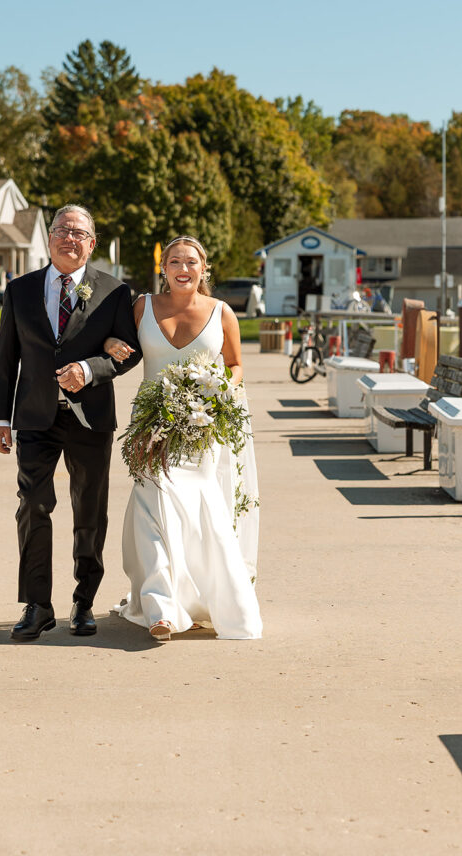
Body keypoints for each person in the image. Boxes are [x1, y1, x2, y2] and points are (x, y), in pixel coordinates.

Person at [0, 205, 141, 642]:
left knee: (89, 511)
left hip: (90, 418)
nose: (69, 238)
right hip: (35, 416)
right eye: (61, 230)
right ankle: (37, 605)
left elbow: (127, 352)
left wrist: (91, 370)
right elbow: (5, 360)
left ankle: (84, 601)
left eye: (79, 233)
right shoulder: (19, 290)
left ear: (91, 244)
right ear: (49, 238)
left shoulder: (114, 292)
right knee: (33, 505)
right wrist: (0, 418)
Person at [104, 236, 262, 642]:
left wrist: (215, 393)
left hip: (200, 428)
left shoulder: (223, 313)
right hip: (150, 425)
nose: (183, 268)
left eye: (192, 262)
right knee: (153, 504)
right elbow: (113, 341)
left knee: (198, 510)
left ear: (203, 269)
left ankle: (201, 599)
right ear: (164, 268)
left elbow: (236, 365)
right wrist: (108, 342)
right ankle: (160, 608)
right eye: (175, 261)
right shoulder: (142, 307)